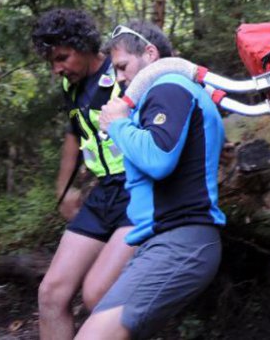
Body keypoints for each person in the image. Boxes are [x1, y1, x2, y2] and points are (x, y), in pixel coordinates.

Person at [77, 21, 225, 339]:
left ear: (150, 53)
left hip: (180, 244)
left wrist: (117, 124)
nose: (118, 78)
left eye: (122, 67)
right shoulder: (170, 91)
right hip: (162, 243)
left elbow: (158, 159)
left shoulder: (169, 86)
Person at [31, 9, 134, 340]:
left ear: (86, 45)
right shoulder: (70, 85)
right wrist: (64, 187)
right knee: (50, 295)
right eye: (52, 61)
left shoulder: (123, 73)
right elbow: (74, 133)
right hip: (103, 193)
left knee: (100, 296)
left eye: (63, 57)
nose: (57, 68)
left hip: (138, 191)